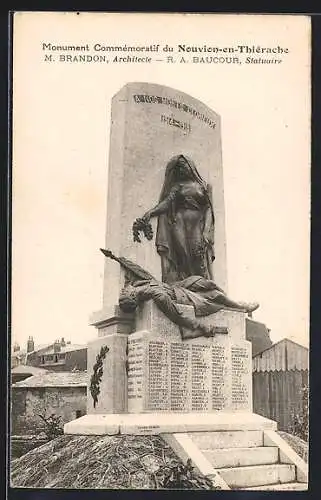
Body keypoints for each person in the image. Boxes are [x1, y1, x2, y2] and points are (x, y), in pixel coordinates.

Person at [134, 154, 215, 283]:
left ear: (191, 167)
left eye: (184, 167)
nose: (182, 170)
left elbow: (208, 209)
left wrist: (206, 230)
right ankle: (185, 284)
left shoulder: (204, 186)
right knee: (182, 254)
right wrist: (151, 212)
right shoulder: (178, 186)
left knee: (197, 253)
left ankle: (203, 285)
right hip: (179, 223)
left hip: (196, 224)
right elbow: (167, 202)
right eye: (179, 168)